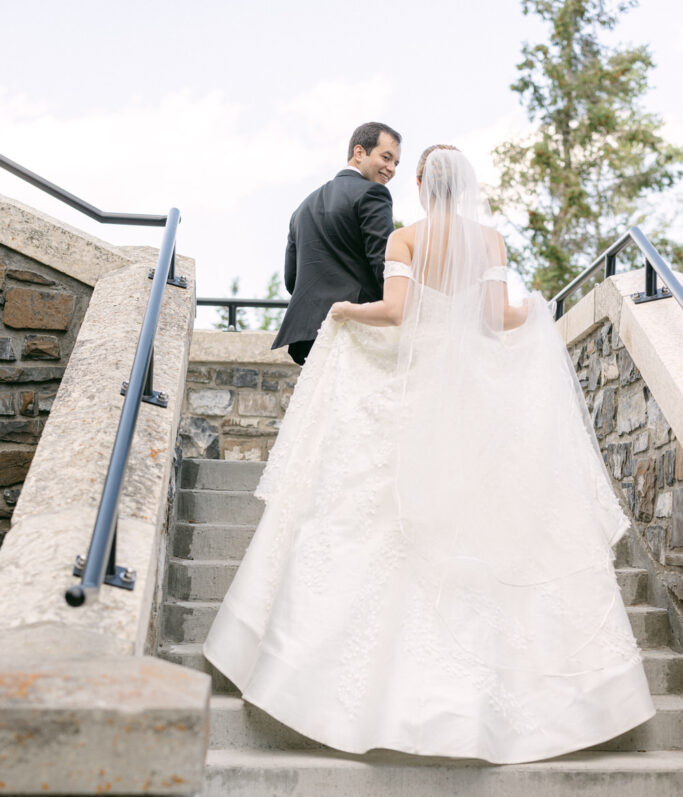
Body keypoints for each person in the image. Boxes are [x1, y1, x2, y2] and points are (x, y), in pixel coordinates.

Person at [204, 144, 655, 764]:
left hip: (419, 389)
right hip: (472, 395)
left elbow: (395, 312)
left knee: (381, 514)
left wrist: (343, 310)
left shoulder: (407, 239)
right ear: (464, 186)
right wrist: (536, 310)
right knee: (485, 513)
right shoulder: (490, 241)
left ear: (420, 182)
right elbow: (497, 319)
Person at [271, 121, 402, 366]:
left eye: (395, 163)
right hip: (358, 330)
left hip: (309, 338)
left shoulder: (302, 208)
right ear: (359, 152)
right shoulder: (374, 194)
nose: (391, 168)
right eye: (386, 157)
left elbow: (292, 281)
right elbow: (383, 266)